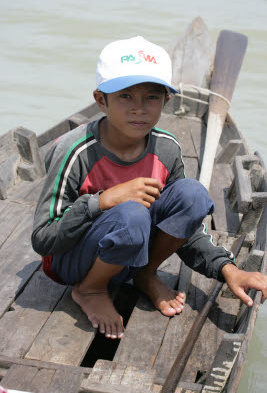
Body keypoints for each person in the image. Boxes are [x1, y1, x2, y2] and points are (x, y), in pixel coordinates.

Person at [31, 36, 267, 340]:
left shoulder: (166, 149)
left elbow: (185, 223)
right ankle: (91, 289)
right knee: (131, 215)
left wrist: (227, 269)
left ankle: (145, 273)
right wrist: (101, 202)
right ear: (101, 100)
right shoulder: (75, 152)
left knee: (193, 194)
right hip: (73, 263)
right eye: (125, 96)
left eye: (152, 97)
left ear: (166, 101)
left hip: (131, 251)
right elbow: (43, 238)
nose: (139, 109)